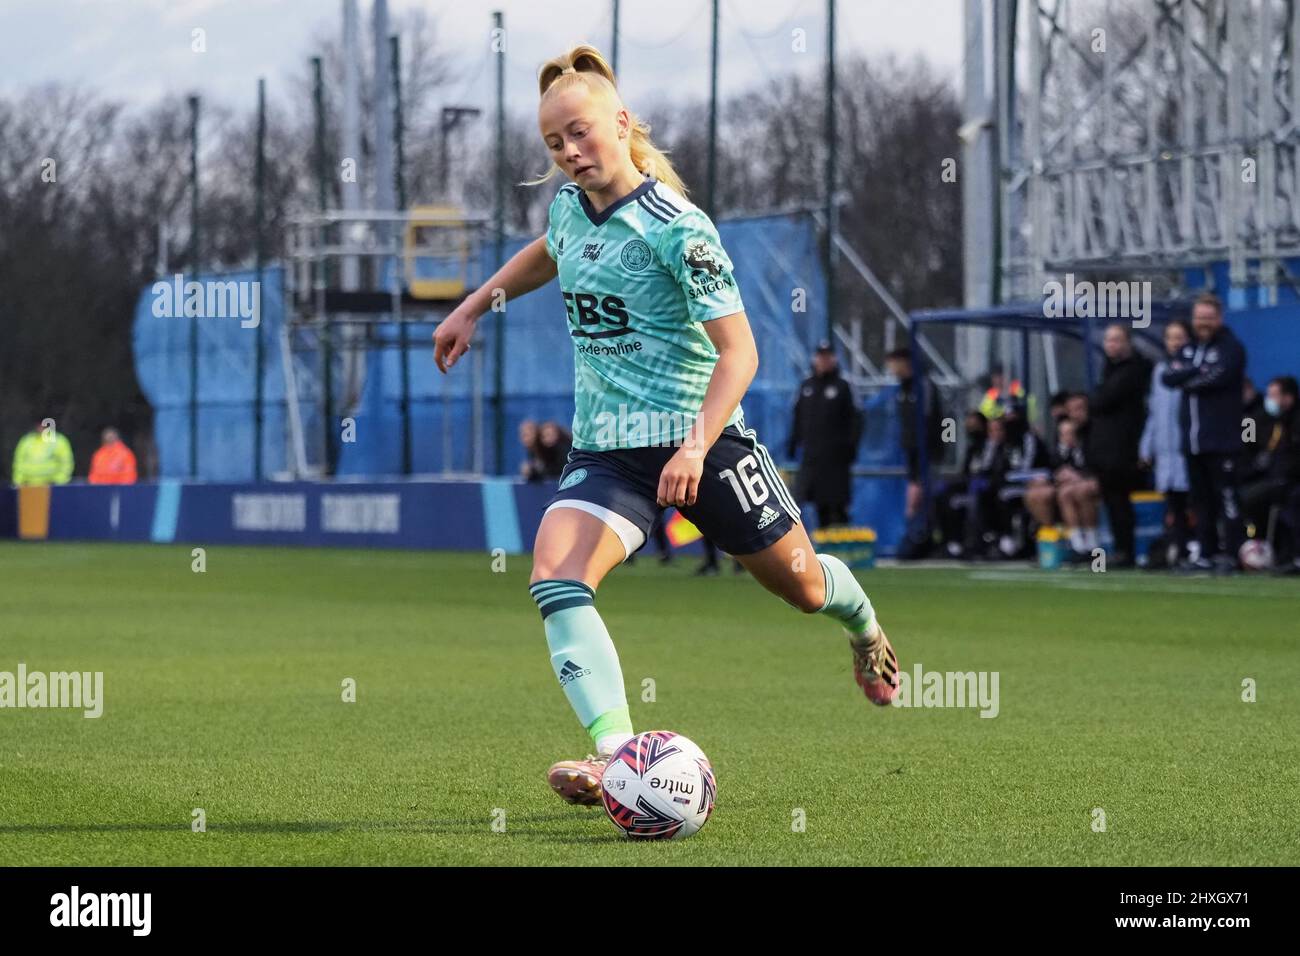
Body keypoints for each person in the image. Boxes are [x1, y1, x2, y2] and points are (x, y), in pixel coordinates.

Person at [431, 44, 900, 808]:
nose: (569, 153)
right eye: (554, 144)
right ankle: (616, 756)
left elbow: (741, 353)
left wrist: (695, 443)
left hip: (703, 442)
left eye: (580, 133)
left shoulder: (679, 227)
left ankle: (867, 627)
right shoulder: (567, 208)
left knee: (806, 588)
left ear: (620, 123)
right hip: (609, 448)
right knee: (556, 574)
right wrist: (472, 304)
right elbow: (551, 252)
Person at [1162, 292, 1247, 571]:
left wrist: (1191, 376)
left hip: (1223, 441)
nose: (1203, 323)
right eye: (1199, 318)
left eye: (1208, 318)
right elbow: (1168, 376)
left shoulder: (1231, 347)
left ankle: (1233, 554)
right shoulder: (1188, 349)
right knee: (1201, 503)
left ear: (1219, 319)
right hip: (1193, 442)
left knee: (1227, 500)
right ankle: (1206, 554)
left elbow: (1218, 376)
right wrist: (1197, 370)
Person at [1084, 323, 1151, 567]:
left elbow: (1103, 400)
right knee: (1112, 502)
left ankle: (1127, 551)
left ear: (1127, 343)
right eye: (1108, 340)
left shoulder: (1133, 371)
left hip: (1122, 450)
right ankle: (1119, 549)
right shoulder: (1109, 369)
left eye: (1116, 340)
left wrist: (1096, 399)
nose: (1111, 345)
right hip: (1105, 451)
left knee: (1121, 501)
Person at [787, 341, 862, 527]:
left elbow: (856, 419)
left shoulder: (843, 386)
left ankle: (840, 545)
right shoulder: (806, 386)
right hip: (811, 457)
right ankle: (809, 546)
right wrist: (794, 442)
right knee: (802, 500)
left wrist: (850, 447)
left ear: (834, 359)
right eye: (821, 356)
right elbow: (797, 416)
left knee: (836, 504)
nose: (824, 360)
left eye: (828, 356)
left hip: (836, 459)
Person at [1139, 320, 1193, 565]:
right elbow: (1155, 413)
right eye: (1171, 337)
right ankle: (1178, 550)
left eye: (1179, 337)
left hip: (1188, 449)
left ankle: (1199, 548)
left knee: (1195, 502)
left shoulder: (1195, 368)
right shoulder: (1160, 371)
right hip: (1166, 452)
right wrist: (1146, 445)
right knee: (1174, 505)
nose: (1175, 342)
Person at [1240, 376, 1300, 568]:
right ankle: (1257, 543)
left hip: (1288, 480)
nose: (1270, 400)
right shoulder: (1253, 419)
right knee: (1244, 497)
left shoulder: (1294, 421)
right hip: (1268, 479)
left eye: (1274, 395)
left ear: (1288, 397)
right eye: (1269, 395)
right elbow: (1246, 446)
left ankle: (1287, 554)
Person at [11, 418, 74, 486]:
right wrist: (18, 482)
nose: (41, 427)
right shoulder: (26, 441)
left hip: (51, 485)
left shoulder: (59, 441)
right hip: (28, 485)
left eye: (44, 424)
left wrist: (59, 482)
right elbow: (18, 462)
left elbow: (66, 463)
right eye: (39, 424)